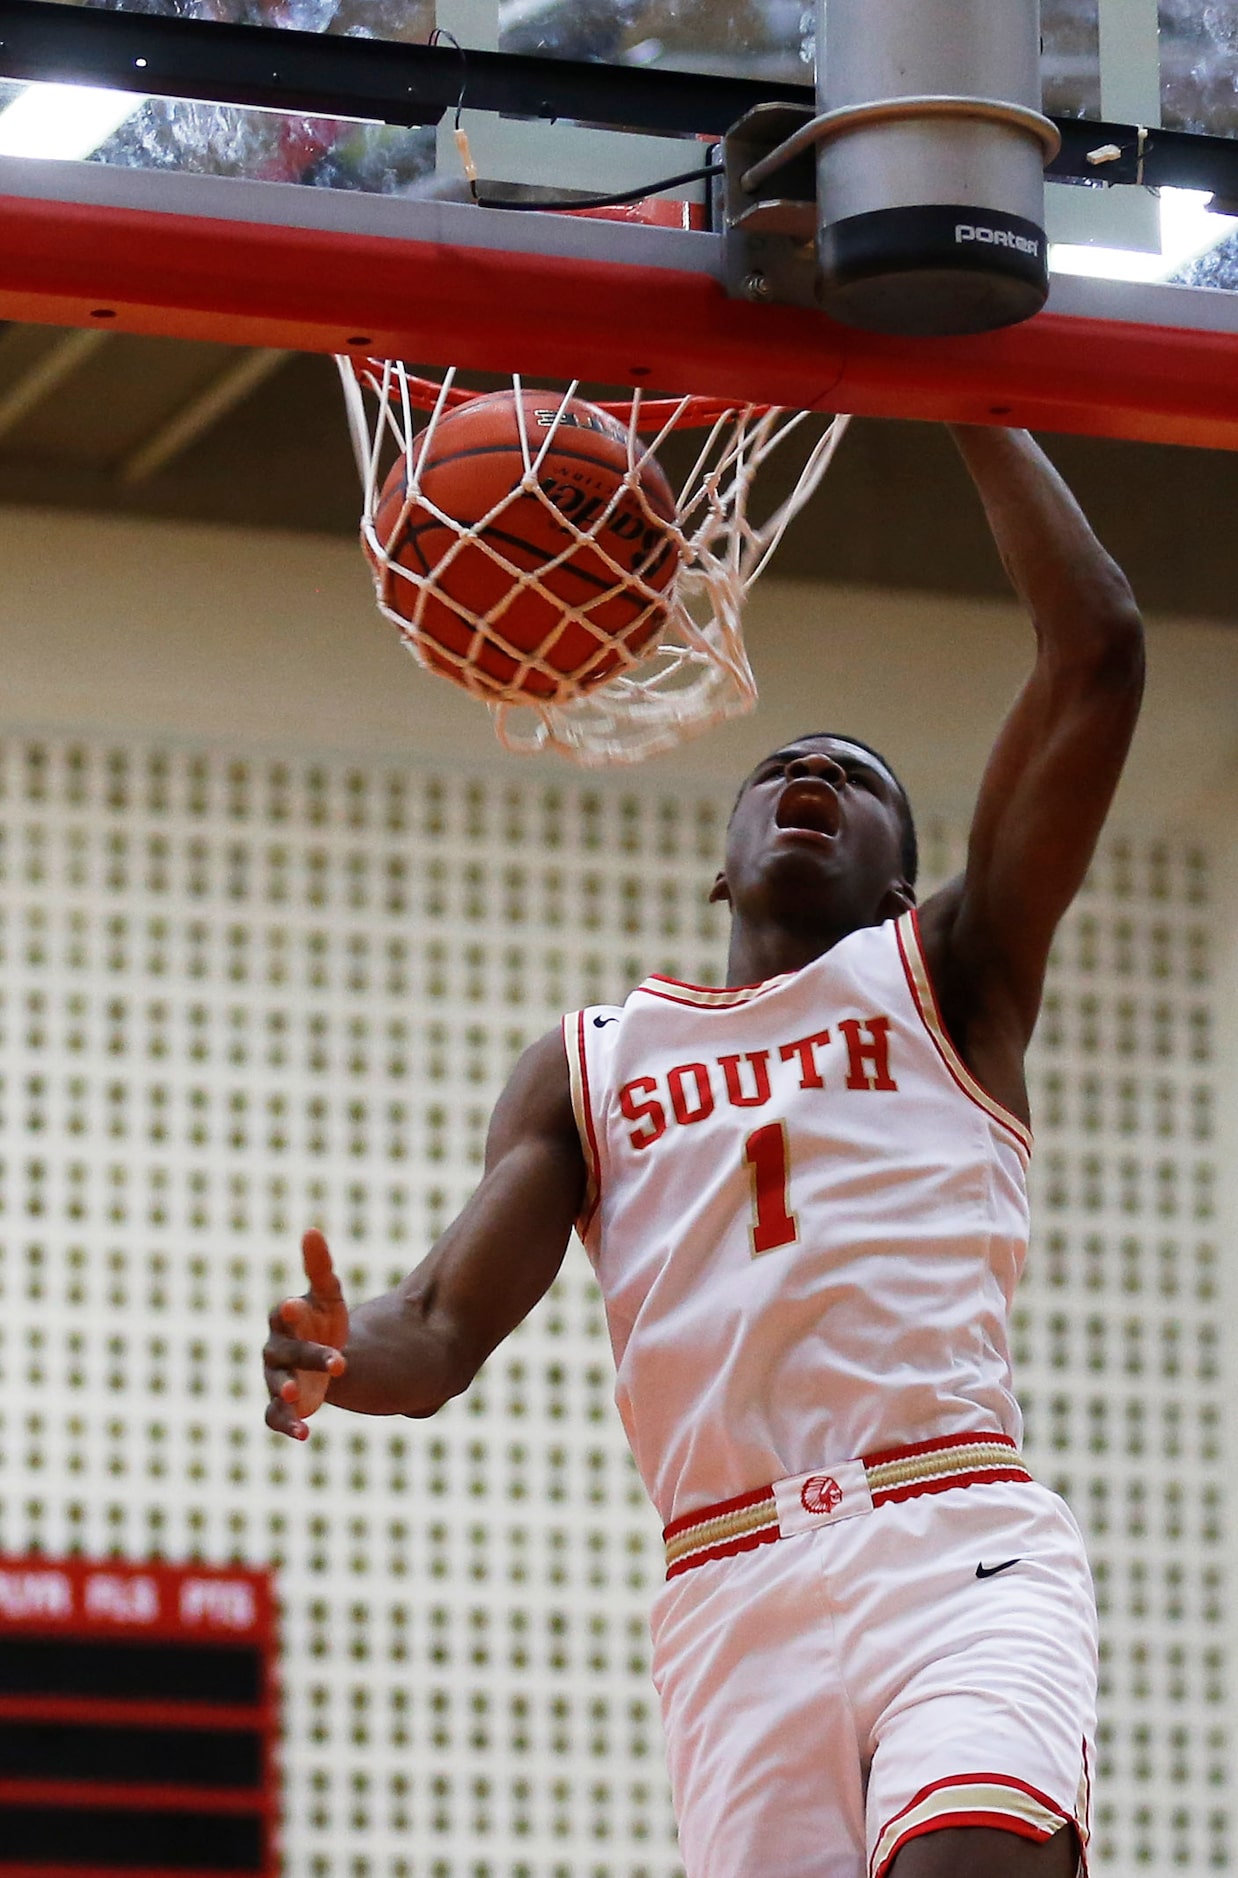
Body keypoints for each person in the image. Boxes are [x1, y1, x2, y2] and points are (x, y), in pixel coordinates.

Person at [263, 426, 1144, 1878]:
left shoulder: (949, 974)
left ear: (901, 879)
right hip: (731, 1589)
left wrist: (975, 394)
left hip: (949, 1536)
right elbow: (434, 1328)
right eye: (783, 767)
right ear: (720, 862)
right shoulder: (590, 1061)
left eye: (854, 778)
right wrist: (328, 1351)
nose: (813, 774)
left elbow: (1096, 647)